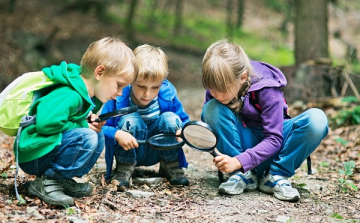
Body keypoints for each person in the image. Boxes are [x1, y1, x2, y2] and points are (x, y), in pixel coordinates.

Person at [201, 39, 329, 201]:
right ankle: (242, 175)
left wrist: (239, 161)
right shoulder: (217, 89)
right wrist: (190, 133)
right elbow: (212, 128)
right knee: (211, 108)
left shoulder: (267, 87)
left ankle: (276, 175)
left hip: (275, 149)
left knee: (317, 119)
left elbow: (274, 139)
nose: (216, 95)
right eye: (212, 89)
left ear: (243, 77)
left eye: (222, 90)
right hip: (241, 148)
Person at [15, 37, 137, 206]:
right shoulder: (70, 94)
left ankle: (59, 180)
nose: (120, 93)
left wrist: (87, 120)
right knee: (87, 136)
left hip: (45, 150)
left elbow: (69, 119)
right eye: (119, 85)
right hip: (34, 153)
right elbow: (46, 124)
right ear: (99, 72)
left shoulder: (83, 94)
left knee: (97, 135)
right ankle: (47, 182)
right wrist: (82, 125)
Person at [102, 44, 190, 188]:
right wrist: (117, 133)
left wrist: (183, 131)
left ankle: (170, 164)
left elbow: (185, 121)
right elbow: (102, 127)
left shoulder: (168, 94)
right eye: (141, 86)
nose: (147, 94)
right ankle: (124, 167)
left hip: (158, 148)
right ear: (131, 80)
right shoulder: (119, 96)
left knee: (170, 118)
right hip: (130, 148)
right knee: (130, 119)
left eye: (155, 87)